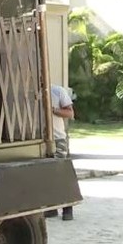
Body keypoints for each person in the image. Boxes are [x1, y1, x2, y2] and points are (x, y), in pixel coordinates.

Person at [46, 84, 76, 221]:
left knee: (61, 173)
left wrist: (52, 110)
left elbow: (70, 113)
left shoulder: (57, 91)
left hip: (58, 139)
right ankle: (51, 208)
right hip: (41, 140)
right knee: (47, 174)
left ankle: (67, 208)